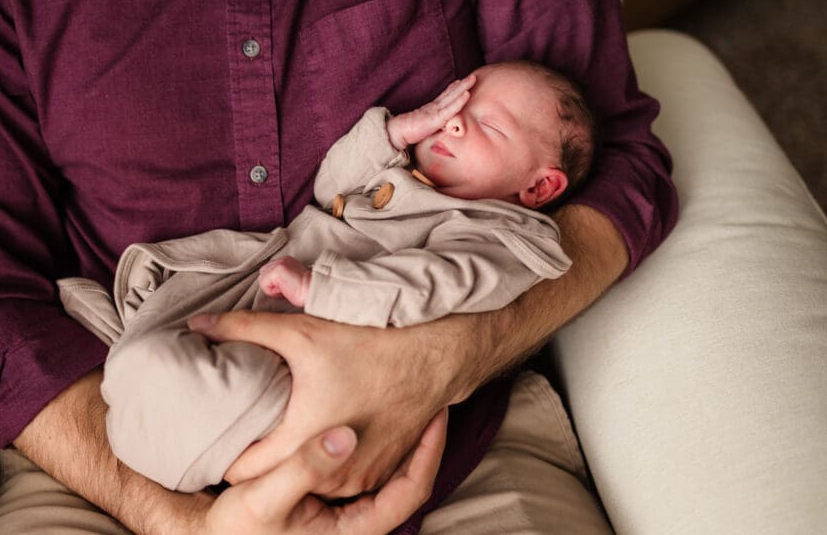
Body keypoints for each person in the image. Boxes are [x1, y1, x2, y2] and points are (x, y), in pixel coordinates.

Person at [0, 0, 678, 533]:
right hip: (116, 461)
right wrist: (179, 520)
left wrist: (435, 362)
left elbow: (618, 168)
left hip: (447, 439)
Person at [58, 62, 596, 493]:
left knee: (220, 382)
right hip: (265, 273)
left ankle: (163, 416)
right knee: (169, 318)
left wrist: (322, 288)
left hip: (315, 326)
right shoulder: (412, 172)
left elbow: (427, 283)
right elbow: (329, 188)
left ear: (540, 188)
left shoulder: (497, 235)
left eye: (490, 125)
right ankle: (138, 356)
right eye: (458, 106)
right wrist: (394, 133)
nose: (453, 121)